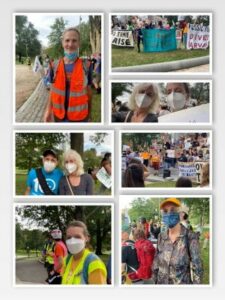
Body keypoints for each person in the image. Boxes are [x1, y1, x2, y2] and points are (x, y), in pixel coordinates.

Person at [43, 27, 93, 123]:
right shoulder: (54, 65)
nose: (70, 44)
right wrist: (48, 110)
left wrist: (89, 114)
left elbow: (89, 93)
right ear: (62, 43)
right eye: (67, 40)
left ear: (79, 43)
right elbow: (52, 91)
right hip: (59, 117)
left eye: (74, 41)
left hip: (80, 118)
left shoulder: (87, 66)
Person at [152, 198, 203, 284]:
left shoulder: (190, 237)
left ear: (181, 214)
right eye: (165, 211)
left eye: (172, 210)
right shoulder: (161, 236)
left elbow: (198, 269)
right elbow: (156, 262)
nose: (168, 214)